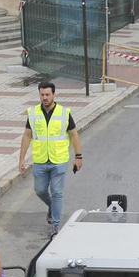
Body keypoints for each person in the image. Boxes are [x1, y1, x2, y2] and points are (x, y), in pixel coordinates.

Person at [18, 81, 83, 237]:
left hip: (59, 159)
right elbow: (27, 135)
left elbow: (73, 134)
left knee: (57, 192)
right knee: (39, 190)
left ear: (54, 94)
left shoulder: (64, 113)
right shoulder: (33, 113)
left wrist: (78, 156)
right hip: (40, 160)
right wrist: (21, 159)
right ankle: (52, 207)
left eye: (48, 94)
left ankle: (55, 224)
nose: (45, 98)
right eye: (42, 95)